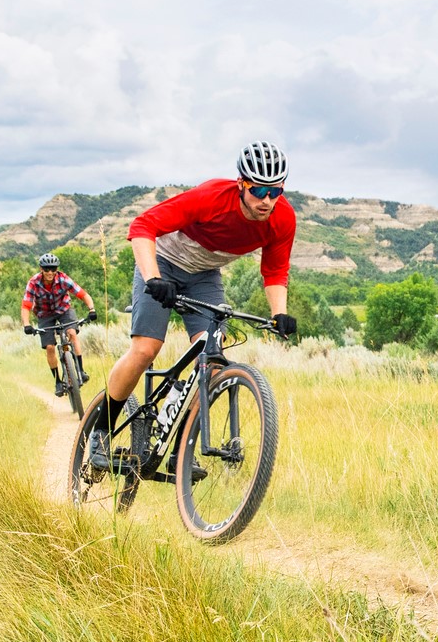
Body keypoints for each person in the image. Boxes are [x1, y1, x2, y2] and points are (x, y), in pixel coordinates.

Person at [89, 141, 299, 466]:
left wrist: (279, 313)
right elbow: (142, 226)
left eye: (275, 191)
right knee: (146, 349)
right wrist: (153, 278)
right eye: (259, 190)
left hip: (203, 276)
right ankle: (100, 431)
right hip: (162, 263)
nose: (267, 200)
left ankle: (180, 453)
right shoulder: (212, 197)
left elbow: (274, 270)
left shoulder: (282, 218)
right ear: (241, 183)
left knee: (212, 360)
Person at [20, 252, 97, 396]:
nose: (50, 272)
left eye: (53, 269)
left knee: (72, 333)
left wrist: (91, 309)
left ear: (57, 269)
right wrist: (26, 324)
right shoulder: (33, 283)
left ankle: (80, 370)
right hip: (44, 314)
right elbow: (26, 305)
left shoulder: (63, 279)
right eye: (46, 269)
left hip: (64, 310)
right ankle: (58, 382)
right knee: (50, 347)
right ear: (41, 269)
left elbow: (83, 294)